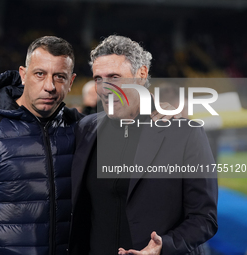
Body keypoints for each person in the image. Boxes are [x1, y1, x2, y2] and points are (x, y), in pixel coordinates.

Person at [0, 36, 179, 255]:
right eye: (40, 74)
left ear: (71, 81)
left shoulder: (80, 128)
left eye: (59, 77)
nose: (50, 86)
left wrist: (156, 113)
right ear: (23, 75)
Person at [69, 35, 218, 255]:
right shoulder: (85, 129)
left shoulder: (185, 133)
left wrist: (162, 247)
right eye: (98, 78)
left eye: (114, 77)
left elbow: (204, 218)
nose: (105, 88)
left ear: (141, 75)